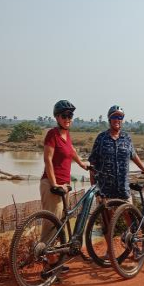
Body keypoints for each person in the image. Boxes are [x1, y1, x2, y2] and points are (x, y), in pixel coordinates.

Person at [40, 99, 88, 276]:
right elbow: (48, 159)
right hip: (52, 185)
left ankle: (55, 261)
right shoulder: (52, 134)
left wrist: (83, 165)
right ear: (57, 117)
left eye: (70, 115)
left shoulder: (67, 135)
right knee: (51, 225)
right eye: (64, 115)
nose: (68, 118)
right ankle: (47, 262)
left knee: (59, 223)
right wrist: (54, 184)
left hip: (64, 186)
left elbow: (72, 151)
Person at [88, 105, 144, 201]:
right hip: (105, 192)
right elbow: (92, 164)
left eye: (120, 117)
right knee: (108, 216)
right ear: (109, 119)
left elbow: (133, 155)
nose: (117, 120)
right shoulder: (101, 138)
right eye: (114, 117)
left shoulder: (126, 138)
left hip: (124, 191)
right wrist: (95, 190)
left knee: (131, 215)